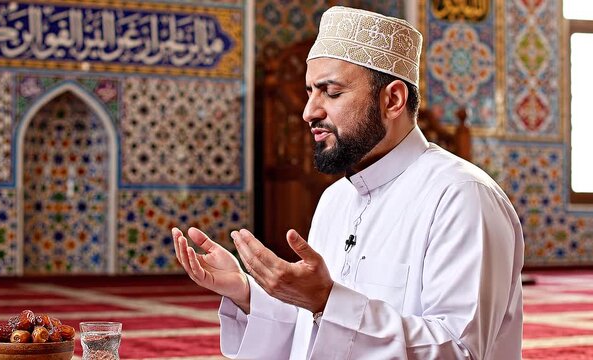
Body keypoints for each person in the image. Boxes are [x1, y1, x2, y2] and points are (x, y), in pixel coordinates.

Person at [172, 6, 524, 359]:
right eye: (310, 91)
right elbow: (321, 329)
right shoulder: (335, 199)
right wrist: (247, 293)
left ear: (393, 100)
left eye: (331, 92)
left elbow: (459, 349)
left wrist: (329, 300)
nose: (309, 111)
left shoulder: (461, 197)